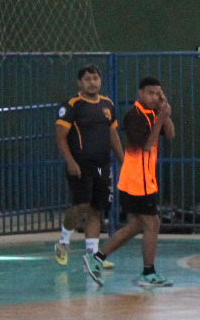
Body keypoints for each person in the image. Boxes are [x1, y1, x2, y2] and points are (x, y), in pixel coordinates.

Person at [90, 77, 174, 289]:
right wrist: (160, 118)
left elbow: (170, 134)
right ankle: (148, 272)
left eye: (158, 94)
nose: (154, 98)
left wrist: (164, 114)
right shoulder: (134, 116)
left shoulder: (154, 113)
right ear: (140, 93)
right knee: (152, 223)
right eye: (150, 93)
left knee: (136, 225)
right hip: (137, 181)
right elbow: (146, 145)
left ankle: (97, 257)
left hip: (145, 180)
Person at [54, 65, 122, 275]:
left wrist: (123, 160)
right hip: (80, 166)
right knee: (81, 206)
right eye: (87, 79)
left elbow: (113, 134)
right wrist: (70, 161)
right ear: (80, 82)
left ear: (100, 81)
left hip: (102, 166)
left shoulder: (108, 104)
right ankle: (63, 241)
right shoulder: (72, 105)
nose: (92, 82)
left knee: (96, 209)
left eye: (95, 78)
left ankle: (92, 256)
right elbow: (60, 137)